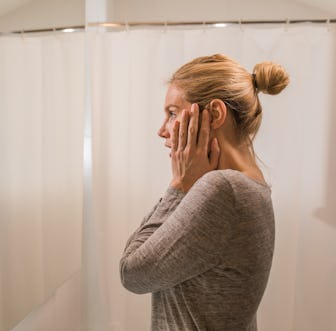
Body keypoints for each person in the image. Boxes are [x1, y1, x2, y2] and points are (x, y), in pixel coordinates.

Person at [120, 54, 289, 330]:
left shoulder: (223, 190)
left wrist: (179, 185)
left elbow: (132, 273)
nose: (162, 130)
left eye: (172, 113)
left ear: (214, 115)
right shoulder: (254, 185)